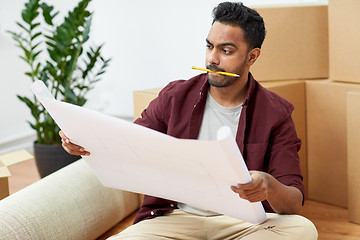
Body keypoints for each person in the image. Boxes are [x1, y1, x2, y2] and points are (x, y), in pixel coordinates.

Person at [60, 2, 318, 239]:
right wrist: (81, 139)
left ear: (252, 56)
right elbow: (128, 143)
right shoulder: (175, 96)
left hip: (241, 224)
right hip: (174, 218)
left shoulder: (276, 113)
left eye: (226, 50)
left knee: (303, 230)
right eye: (209, 46)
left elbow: (293, 202)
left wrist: (270, 186)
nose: (212, 59)